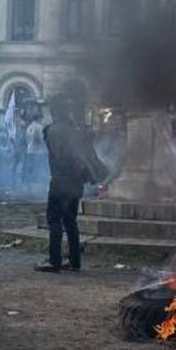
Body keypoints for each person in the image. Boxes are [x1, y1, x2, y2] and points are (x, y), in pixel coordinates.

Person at [39, 100, 108, 272]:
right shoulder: (75, 131)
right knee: (70, 221)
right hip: (76, 183)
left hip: (61, 183)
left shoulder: (54, 131)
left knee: (55, 221)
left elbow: (61, 157)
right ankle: (75, 261)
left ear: (55, 111)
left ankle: (54, 261)